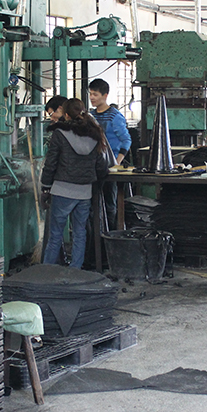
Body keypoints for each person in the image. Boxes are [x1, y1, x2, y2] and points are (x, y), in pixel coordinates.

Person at [41, 98, 109, 269]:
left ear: (66, 115)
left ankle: (46, 271)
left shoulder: (59, 134)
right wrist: (96, 185)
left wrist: (45, 186)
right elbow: (101, 166)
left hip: (62, 190)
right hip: (84, 192)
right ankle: (75, 271)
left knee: (55, 235)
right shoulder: (94, 134)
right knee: (80, 233)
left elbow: (51, 163)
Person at [88, 78, 131, 228]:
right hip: (93, 167)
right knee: (92, 205)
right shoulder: (90, 116)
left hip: (109, 168)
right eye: (90, 94)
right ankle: (95, 237)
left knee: (109, 204)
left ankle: (110, 235)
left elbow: (126, 140)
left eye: (95, 94)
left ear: (105, 95)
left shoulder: (114, 117)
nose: (92, 97)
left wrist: (116, 162)